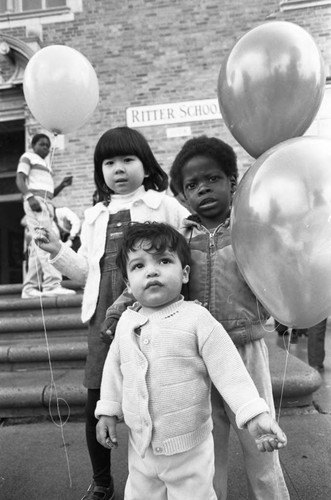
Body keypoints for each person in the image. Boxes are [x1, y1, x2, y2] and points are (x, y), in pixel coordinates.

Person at [103, 135, 290, 500]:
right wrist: (118, 309)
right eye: (192, 185)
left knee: (260, 438)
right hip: (195, 356)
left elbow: (274, 270)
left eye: (212, 179)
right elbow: (147, 278)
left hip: (244, 346)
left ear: (233, 183)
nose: (203, 188)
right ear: (183, 196)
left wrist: (281, 307)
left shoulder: (248, 229)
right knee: (208, 444)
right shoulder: (180, 238)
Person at [34, 126, 190, 500]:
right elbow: (87, 270)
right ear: (99, 170)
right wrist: (57, 249)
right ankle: (102, 481)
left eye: (127, 159)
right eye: (109, 162)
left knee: (155, 391)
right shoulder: (94, 216)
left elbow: (191, 243)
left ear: (145, 164)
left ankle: (166, 477)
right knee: (97, 399)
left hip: (151, 312)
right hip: (103, 317)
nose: (118, 169)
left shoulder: (163, 205)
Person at [16, 133, 75, 299]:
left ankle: (29, 287)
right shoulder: (28, 157)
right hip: (36, 202)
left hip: (46, 203)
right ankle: (51, 284)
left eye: (48, 146)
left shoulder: (46, 165)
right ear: (33, 145)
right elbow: (20, 179)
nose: (46, 148)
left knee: (38, 246)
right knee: (45, 242)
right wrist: (29, 197)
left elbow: (49, 194)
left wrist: (62, 184)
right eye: (42, 144)